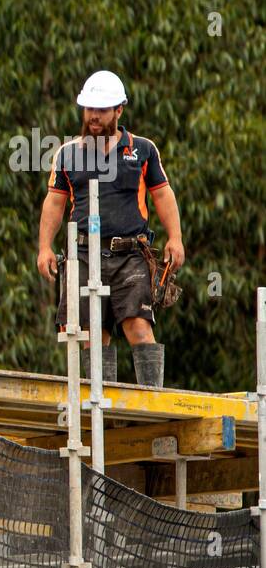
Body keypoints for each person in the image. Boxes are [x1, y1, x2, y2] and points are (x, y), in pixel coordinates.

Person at [36, 70, 184, 386]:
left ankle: (152, 402)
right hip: (84, 255)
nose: (94, 117)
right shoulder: (68, 153)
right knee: (91, 333)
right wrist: (45, 247)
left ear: (119, 110)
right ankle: (99, 407)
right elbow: (54, 203)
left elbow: (162, 194)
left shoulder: (142, 149)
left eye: (102, 110)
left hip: (130, 252)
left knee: (138, 325)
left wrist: (175, 238)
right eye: (90, 109)